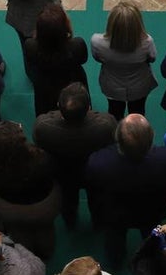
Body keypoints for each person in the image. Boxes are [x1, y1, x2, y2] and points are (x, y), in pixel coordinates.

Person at [85, 114, 166, 268]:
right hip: (151, 210)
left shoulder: (98, 162)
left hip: (114, 213)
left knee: (114, 239)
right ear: (151, 138)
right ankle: (151, 258)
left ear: (117, 139)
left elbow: (92, 182)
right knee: (152, 235)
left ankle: (115, 261)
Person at [33, 82, 117, 229]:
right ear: (89, 108)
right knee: (98, 200)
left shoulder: (43, 127)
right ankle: (98, 223)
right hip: (95, 173)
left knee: (67, 200)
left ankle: (70, 222)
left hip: (62, 173)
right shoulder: (106, 125)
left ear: (58, 106)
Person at [0, 121, 60, 261]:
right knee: (45, 230)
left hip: (7, 209)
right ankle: (46, 253)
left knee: (18, 232)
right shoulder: (42, 159)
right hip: (43, 208)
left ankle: (27, 255)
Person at [91, 0, 158, 119]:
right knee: (138, 113)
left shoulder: (97, 42)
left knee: (114, 113)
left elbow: (97, 58)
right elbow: (152, 58)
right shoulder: (147, 42)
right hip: (139, 87)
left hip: (112, 87)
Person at [22, 3, 88, 116]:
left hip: (45, 89)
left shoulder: (30, 46)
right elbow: (83, 59)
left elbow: (31, 63)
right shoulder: (77, 45)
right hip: (73, 86)